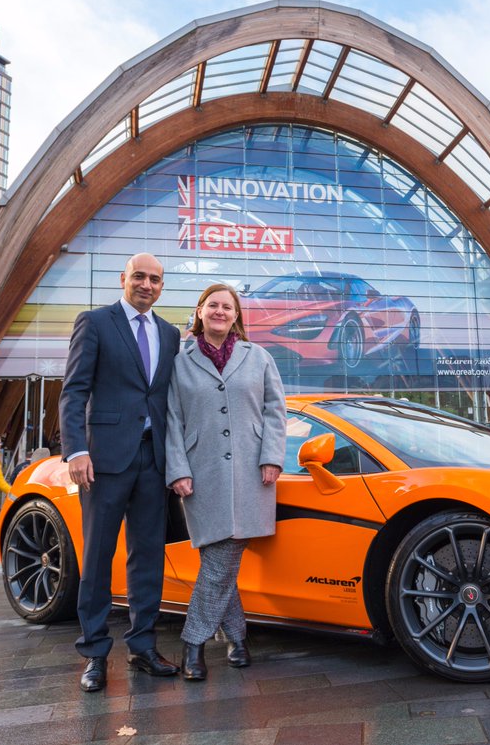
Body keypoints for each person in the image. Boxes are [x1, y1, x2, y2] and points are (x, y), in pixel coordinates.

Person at [59, 253, 182, 692]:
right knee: (97, 555)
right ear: (123, 279)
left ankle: (142, 645)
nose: (147, 284)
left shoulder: (170, 334)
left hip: (153, 459)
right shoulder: (95, 323)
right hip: (104, 460)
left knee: (147, 556)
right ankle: (94, 653)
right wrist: (76, 450)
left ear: (161, 286)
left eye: (155, 279)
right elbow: (73, 391)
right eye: (139, 277)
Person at [165, 283, 286, 681]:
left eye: (227, 307)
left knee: (221, 559)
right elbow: (172, 419)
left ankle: (194, 642)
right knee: (219, 560)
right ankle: (235, 638)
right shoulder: (179, 362)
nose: (220, 311)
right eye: (213, 305)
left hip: (252, 472)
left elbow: (276, 411)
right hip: (200, 475)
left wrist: (272, 457)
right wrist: (177, 469)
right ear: (200, 311)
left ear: (236, 316)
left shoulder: (259, 357)